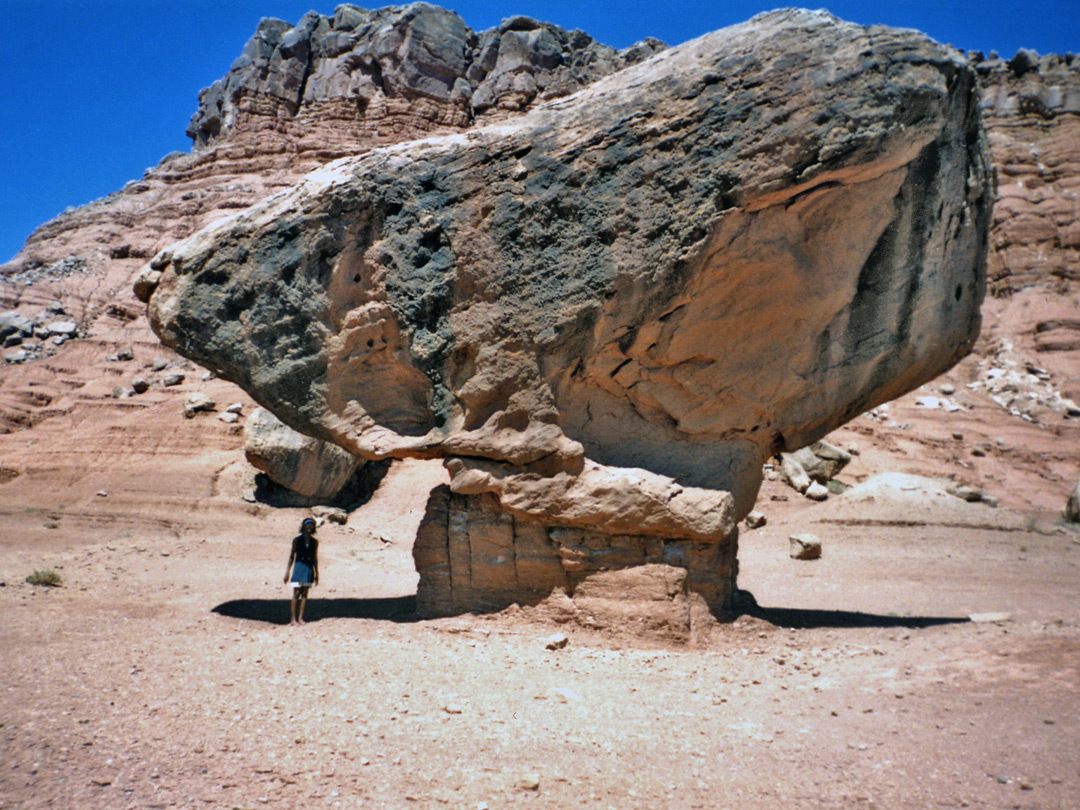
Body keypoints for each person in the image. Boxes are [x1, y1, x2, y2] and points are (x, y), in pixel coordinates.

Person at [284, 517, 319, 625]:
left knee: (305, 593)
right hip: (299, 567)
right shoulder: (297, 540)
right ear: (303, 526)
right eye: (308, 525)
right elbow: (291, 556)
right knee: (296, 593)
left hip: (308, 568)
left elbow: (315, 558)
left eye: (311, 525)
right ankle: (293, 619)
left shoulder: (314, 542)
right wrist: (287, 572)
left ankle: (300, 618)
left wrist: (317, 573)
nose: (309, 527)